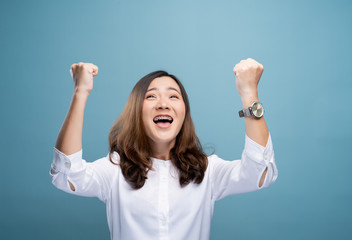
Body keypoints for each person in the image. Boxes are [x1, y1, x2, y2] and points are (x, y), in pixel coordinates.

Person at [50, 58, 278, 240]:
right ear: (136, 112)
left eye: (173, 96)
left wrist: (249, 94)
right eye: (151, 96)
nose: (163, 103)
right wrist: (80, 93)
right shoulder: (114, 169)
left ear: (183, 114)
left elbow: (260, 173)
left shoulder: (207, 171)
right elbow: (67, 174)